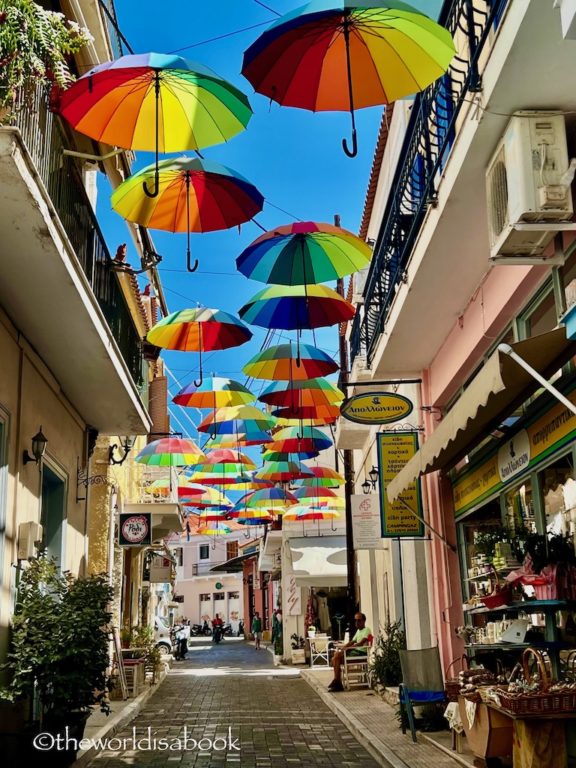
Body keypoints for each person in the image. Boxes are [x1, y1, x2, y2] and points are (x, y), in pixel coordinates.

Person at [328, 612, 372, 692]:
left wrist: (347, 649)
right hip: (355, 652)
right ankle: (337, 683)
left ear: (364, 621)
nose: (357, 622)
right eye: (355, 620)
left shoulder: (367, 630)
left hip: (360, 654)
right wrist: (343, 648)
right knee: (336, 657)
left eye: (359, 620)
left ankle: (337, 683)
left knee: (336, 658)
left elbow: (360, 644)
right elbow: (352, 642)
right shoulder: (358, 631)